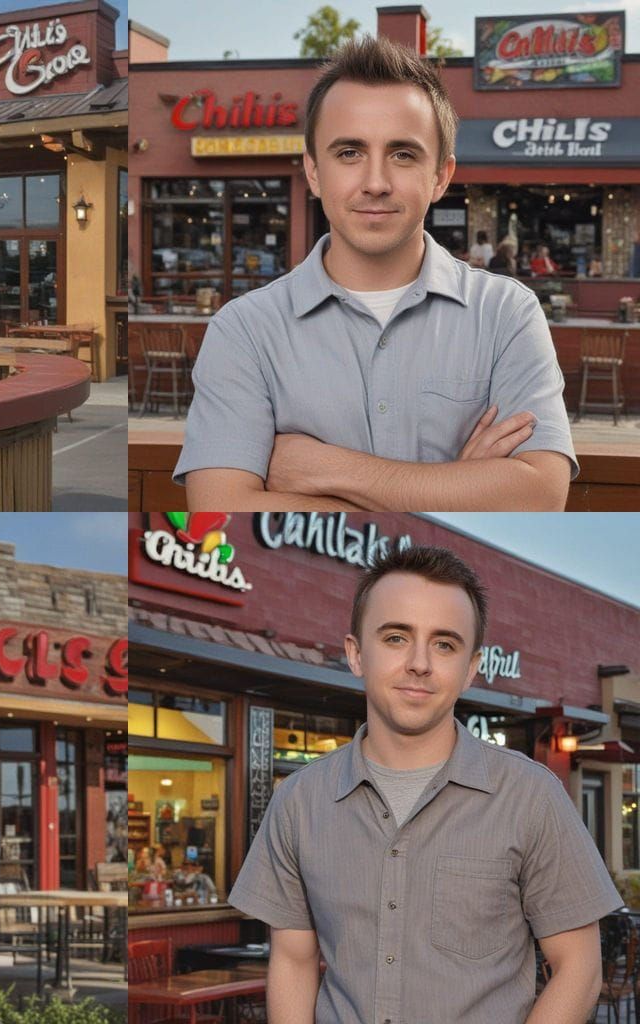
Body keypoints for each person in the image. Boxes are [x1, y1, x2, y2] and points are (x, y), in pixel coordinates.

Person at [175, 36, 575, 512]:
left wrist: (325, 468)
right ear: (314, 171)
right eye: (349, 153)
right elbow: (220, 508)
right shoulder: (244, 330)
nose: (376, 183)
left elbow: (541, 494)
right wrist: (459, 488)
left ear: (441, 176)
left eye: (403, 154)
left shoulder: (506, 313)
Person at [229, 545, 622, 1024]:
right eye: (396, 637)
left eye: (444, 644)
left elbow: (579, 968)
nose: (419, 663)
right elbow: (292, 959)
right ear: (356, 654)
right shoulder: (298, 801)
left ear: (471, 668)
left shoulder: (531, 796)